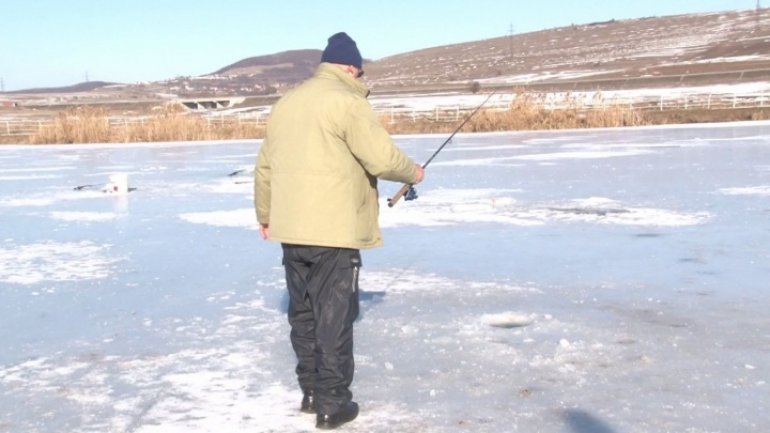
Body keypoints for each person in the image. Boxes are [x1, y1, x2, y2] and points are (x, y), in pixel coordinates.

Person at [254, 32, 424, 430]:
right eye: (360, 70)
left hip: (291, 228)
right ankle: (332, 403)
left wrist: (266, 215)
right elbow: (382, 158)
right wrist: (413, 172)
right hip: (334, 230)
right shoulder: (348, 102)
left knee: (304, 314)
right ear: (350, 66)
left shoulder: (287, 103)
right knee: (333, 316)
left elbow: (264, 167)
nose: (360, 76)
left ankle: (311, 392)